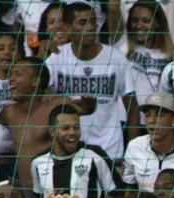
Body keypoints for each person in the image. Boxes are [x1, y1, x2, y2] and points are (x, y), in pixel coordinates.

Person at [43, 2, 139, 160]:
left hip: (110, 150)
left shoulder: (115, 58)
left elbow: (132, 108)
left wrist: (133, 152)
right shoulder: (56, 59)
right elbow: (39, 100)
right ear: (67, 27)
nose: (90, 27)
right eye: (82, 22)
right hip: (69, 151)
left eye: (93, 22)